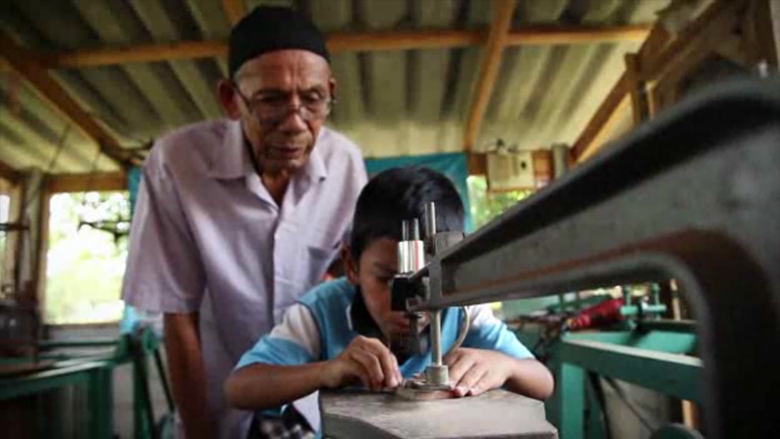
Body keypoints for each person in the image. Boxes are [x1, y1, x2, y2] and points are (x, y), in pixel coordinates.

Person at [121, 6, 367, 439]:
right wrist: (200, 433)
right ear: (231, 100)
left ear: (330, 93)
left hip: (312, 404)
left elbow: (348, 283)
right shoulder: (178, 163)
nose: (295, 125)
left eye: (312, 100)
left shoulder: (345, 163)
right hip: (218, 404)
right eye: (271, 101)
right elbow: (178, 314)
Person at [224, 167, 554, 437]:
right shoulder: (323, 309)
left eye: (428, 282)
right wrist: (328, 370)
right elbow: (240, 387)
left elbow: (542, 382)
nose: (409, 303)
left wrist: (506, 366)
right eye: (386, 280)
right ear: (351, 265)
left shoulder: (465, 309)